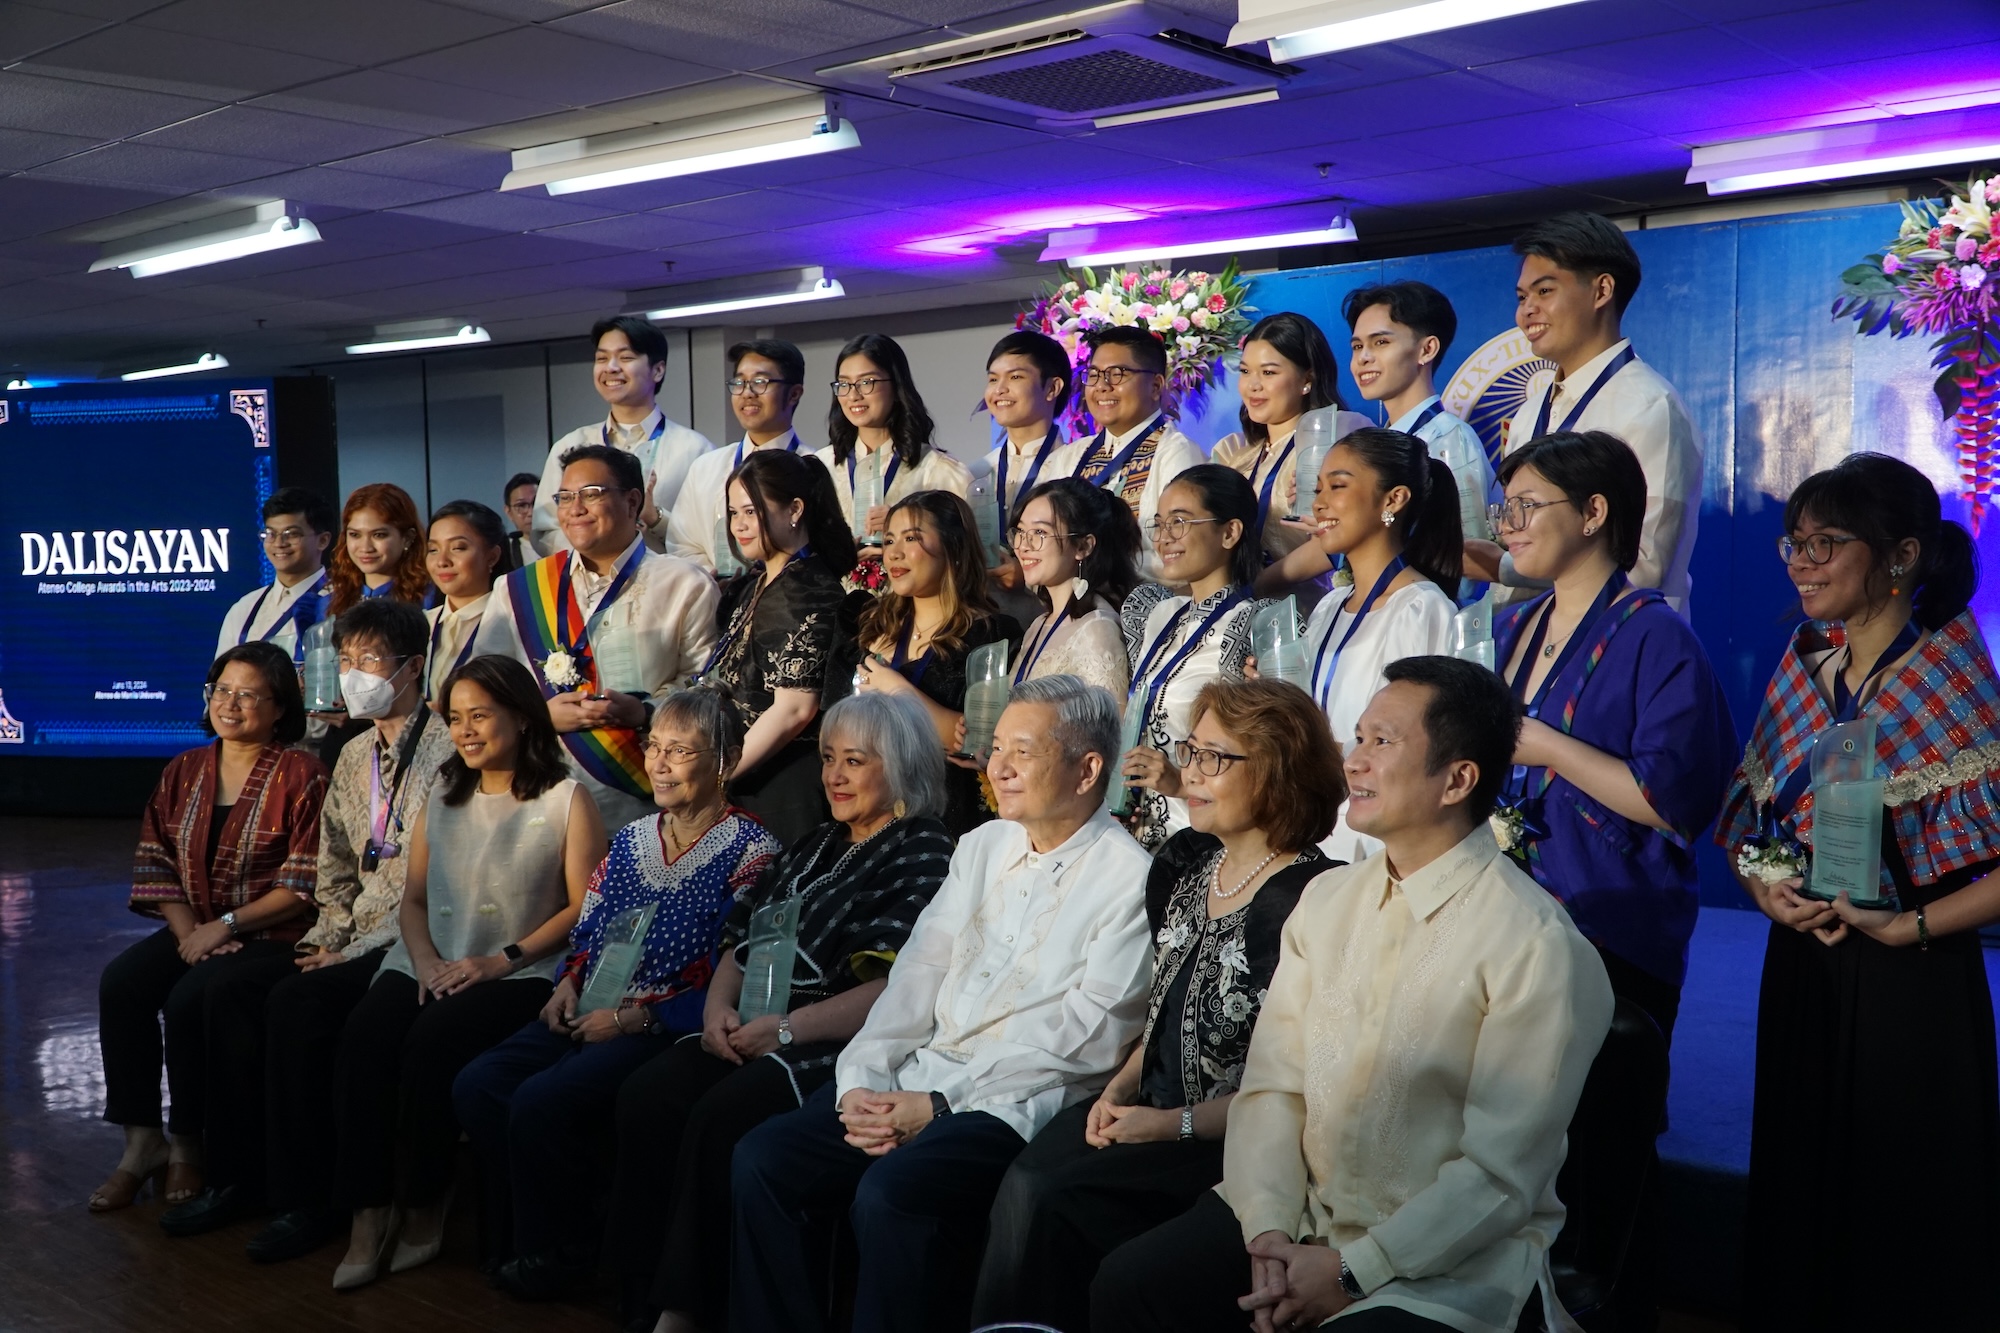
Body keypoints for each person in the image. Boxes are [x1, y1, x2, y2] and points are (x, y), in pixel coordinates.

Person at [1092, 656, 1614, 1333]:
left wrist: (1351, 1268)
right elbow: (1273, 1088)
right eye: (1358, 737)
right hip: (1296, 1217)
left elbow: (1499, 1178)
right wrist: (1270, 1232)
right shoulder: (1329, 900)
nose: (1355, 760)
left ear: (1458, 778)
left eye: (1382, 742)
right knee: (1132, 1285)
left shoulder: (1538, 945)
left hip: (1439, 1266)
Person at [729, 676, 1153, 1333]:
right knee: (765, 1158)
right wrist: (861, 1080)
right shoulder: (982, 845)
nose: (998, 766)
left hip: (1014, 1100)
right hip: (919, 1075)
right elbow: (916, 975)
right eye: (996, 747)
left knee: (892, 1194)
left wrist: (941, 1105)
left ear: (1087, 767)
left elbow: (1087, 1035)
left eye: (1022, 750)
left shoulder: (1131, 876)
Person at [1718, 454, 2000, 1332]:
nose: (1802, 561)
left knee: (1903, 1213)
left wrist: (1906, 925)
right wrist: (1766, 887)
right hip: (1803, 964)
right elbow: (1750, 819)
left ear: (1902, 554)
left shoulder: (1950, 676)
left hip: (1910, 985)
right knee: (1799, 1198)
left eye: (1827, 542)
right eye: (1794, 543)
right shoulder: (1806, 669)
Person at [971, 678, 1344, 1331]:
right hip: (1149, 1104)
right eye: (1190, 750)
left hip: (1228, 1141)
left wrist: (1166, 1123)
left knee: (1056, 1200)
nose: (1187, 772)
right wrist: (1118, 1089)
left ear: (1279, 772)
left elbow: (1295, 1090)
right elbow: (1164, 1016)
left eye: (1213, 759)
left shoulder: (1308, 898)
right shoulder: (1190, 863)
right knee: (1023, 1176)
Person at [608, 691, 954, 1333]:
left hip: (831, 1041)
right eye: (827, 759)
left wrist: (787, 1029)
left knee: (719, 1116)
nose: (834, 776)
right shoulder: (815, 842)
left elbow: (895, 988)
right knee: (648, 1093)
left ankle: (685, 1311)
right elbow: (741, 942)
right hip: (753, 1026)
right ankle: (640, 1295)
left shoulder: (923, 847)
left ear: (901, 765)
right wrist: (717, 1011)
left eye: (855, 761)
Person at [452, 687, 783, 1298]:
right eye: (654, 746)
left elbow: (731, 969)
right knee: (481, 1082)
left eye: (679, 751)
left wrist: (636, 1020)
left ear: (726, 761)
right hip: (589, 1002)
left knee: (543, 1100)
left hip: (661, 1023)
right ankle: (567, 1220)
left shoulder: (754, 852)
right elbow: (591, 923)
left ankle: (565, 1252)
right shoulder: (632, 838)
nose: (657, 763)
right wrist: (567, 982)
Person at [327, 655, 602, 1291]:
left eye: (481, 715)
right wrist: (423, 960)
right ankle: (368, 1214)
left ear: (522, 718)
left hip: (518, 971)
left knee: (431, 1045)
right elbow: (414, 900)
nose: (466, 730)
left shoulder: (566, 799)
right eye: (455, 718)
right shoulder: (444, 797)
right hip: (429, 956)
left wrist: (497, 960)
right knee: (366, 1036)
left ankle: (426, 1200)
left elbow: (584, 906)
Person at [1490, 430, 1734, 1039]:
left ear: (1593, 512)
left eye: (1527, 506)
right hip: (1500, 910)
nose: (1508, 526)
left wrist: (1547, 747)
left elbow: (1670, 800)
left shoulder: (1658, 636)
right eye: (1504, 510)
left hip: (1610, 916)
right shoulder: (1507, 626)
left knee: (1600, 1113)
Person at [240, 600, 456, 1264]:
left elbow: (441, 875)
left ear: (414, 667)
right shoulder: (355, 747)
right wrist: (326, 937)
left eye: (372, 662)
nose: (355, 675)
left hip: (416, 935)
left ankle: (339, 1198)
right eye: (349, 660)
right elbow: (335, 859)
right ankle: (271, 1184)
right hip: (352, 930)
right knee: (249, 993)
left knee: (303, 1007)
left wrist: (353, 949)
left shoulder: (453, 745)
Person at [90, 642, 326, 1214]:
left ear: (279, 708)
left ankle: (189, 1144)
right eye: (222, 690)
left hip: (272, 935)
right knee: (122, 984)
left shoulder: (304, 773)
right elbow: (156, 861)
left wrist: (222, 926)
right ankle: (142, 1142)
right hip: (195, 927)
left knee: (194, 999)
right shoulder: (185, 769)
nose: (232, 704)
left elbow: (302, 882)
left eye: (249, 695)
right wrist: (190, 930)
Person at [1465, 213, 1702, 613]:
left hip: (1619, 646)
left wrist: (1503, 566)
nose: (1527, 312)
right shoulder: (1530, 413)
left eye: (1544, 291)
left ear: (1602, 290)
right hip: (1531, 643)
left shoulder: (1648, 407)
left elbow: (1643, 568)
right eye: (1522, 298)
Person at [476, 443, 720, 831]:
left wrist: (644, 711)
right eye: (565, 497)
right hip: (542, 796)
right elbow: (485, 690)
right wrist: (538, 716)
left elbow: (708, 688)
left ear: (632, 501)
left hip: (646, 800)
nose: (575, 508)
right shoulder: (519, 588)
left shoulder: (684, 583)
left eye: (591, 494)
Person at [1294, 428, 1462, 862]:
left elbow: (1418, 742)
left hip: (1368, 840)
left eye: (1338, 486)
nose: (1319, 503)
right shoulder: (1330, 606)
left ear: (1393, 499)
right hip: (1303, 822)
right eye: (1318, 488)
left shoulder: (1421, 608)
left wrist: (1325, 754)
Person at [696, 449, 858, 845]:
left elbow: (794, 709)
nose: (740, 525)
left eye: (751, 511)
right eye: (734, 513)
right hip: (751, 773)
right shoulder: (759, 582)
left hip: (784, 787)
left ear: (795, 509)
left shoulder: (806, 587)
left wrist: (717, 775)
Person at [1118, 464, 1269, 850]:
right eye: (1159, 524)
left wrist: (1180, 783)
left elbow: (1266, 765)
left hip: (1205, 842)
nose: (1164, 538)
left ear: (1230, 532)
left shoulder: (1257, 626)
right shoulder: (1159, 615)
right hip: (1137, 836)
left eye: (1180, 522)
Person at [854, 490, 1021, 835]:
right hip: (873, 817)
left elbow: (975, 739)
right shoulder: (873, 626)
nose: (894, 553)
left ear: (953, 548)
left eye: (911, 538)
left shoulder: (989, 634)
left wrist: (896, 688)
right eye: (888, 540)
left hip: (947, 821)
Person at [530, 315, 715, 557]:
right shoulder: (571, 446)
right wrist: (597, 556)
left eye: (626, 357)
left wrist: (656, 518)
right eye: (602, 358)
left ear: (658, 370)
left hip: (666, 585)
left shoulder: (695, 450)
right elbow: (545, 531)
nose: (611, 367)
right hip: (589, 588)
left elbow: (708, 537)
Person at [1211, 311, 1369, 572]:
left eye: (1269, 372)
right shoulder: (1231, 451)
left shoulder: (1339, 436)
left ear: (1307, 379)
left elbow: (1359, 531)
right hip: (1238, 605)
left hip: (1313, 604)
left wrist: (1263, 585)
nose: (1252, 385)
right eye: (1245, 371)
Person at [665, 339, 810, 576]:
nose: (747, 393)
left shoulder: (815, 464)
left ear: (794, 394)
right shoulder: (705, 467)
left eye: (760, 382)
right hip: (717, 600)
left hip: (792, 597)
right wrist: (712, 578)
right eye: (739, 382)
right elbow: (682, 545)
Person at [1071, 326, 1205, 580]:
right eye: (1094, 375)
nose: (1102, 386)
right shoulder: (1072, 456)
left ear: (1156, 386)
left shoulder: (1176, 453)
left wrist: (1090, 567)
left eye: (1117, 374)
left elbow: (1184, 550)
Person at [813, 333, 971, 547]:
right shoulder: (820, 467)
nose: (853, 395)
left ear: (897, 387)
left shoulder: (938, 471)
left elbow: (967, 551)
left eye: (866, 382)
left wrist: (903, 525)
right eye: (844, 384)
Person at [1003, 476, 1141, 701]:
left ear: (1083, 546)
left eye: (1040, 533)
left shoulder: (1096, 629)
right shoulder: (1038, 624)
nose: (1023, 546)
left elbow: (1109, 730)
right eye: (1020, 531)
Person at [980, 329, 1082, 622]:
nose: (999, 389)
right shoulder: (976, 472)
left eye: (1015, 377)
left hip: (1055, 619)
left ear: (1052, 388)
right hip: (986, 618)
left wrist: (1025, 572)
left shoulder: (1075, 468)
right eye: (992, 379)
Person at [215, 486, 335, 663]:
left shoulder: (344, 602)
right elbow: (221, 682)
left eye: (291, 534)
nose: (279, 543)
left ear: (323, 540)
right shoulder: (244, 608)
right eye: (270, 534)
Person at [422, 500, 507, 706]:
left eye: (458, 548)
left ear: (492, 556)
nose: (442, 561)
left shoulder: (510, 625)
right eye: (433, 550)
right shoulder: (421, 624)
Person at [328, 483, 428, 615]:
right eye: (355, 535)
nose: (365, 547)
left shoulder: (429, 600)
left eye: (379, 535)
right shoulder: (329, 603)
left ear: (408, 538)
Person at [503, 472, 539, 572]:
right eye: (521, 505)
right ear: (509, 512)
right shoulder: (505, 552)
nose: (531, 512)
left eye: (536, 503)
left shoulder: (564, 543)